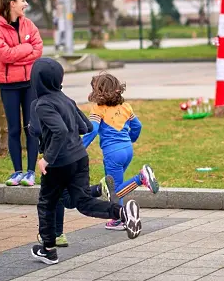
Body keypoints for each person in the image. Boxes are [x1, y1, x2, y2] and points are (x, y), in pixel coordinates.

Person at [29, 58, 141, 265]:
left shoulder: (42, 104)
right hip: (79, 158)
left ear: (37, 80)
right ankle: (122, 212)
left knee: (46, 204)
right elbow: (86, 127)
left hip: (58, 163)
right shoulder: (66, 99)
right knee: (81, 202)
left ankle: (48, 250)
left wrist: (46, 159)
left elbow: (60, 131)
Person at [82, 73, 159, 231]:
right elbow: (137, 126)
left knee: (115, 191)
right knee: (114, 186)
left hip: (113, 154)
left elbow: (93, 130)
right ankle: (117, 218)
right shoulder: (126, 107)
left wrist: (78, 147)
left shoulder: (98, 109)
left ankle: (140, 178)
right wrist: (130, 139)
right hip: (127, 150)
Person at [0, 0, 43, 187]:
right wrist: (25, 49)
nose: (26, 4)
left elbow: (38, 49)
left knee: (31, 128)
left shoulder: (29, 24)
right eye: (23, 0)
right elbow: (4, 55)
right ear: (12, 3)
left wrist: (17, 55)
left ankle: (30, 172)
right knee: (13, 129)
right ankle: (17, 172)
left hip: (29, 83)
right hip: (8, 86)